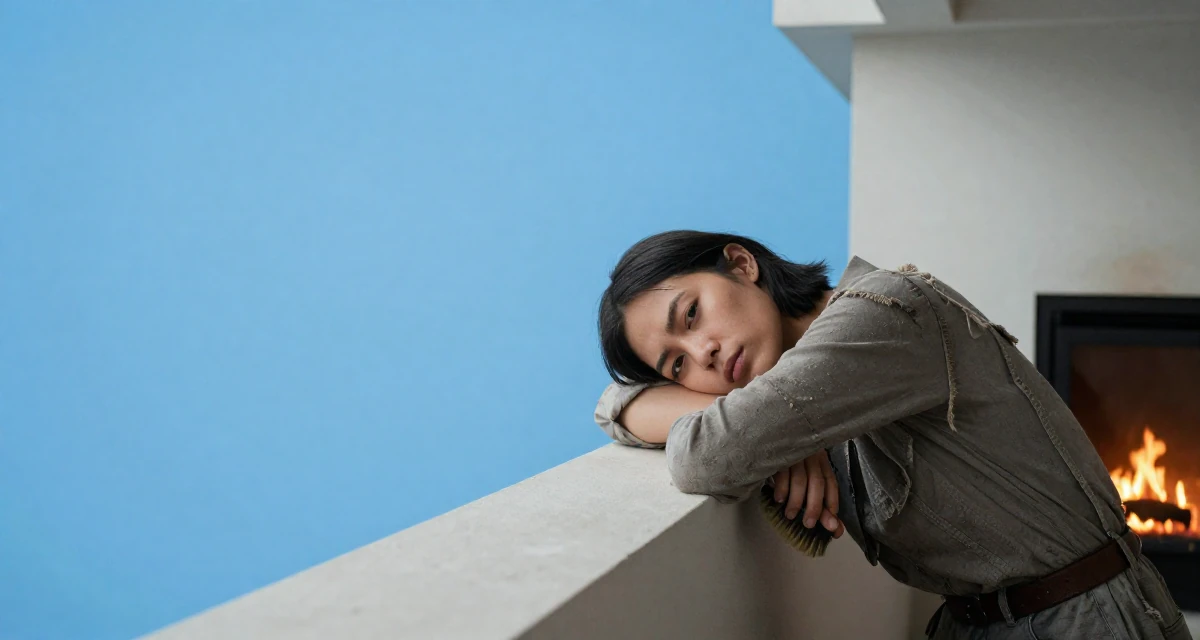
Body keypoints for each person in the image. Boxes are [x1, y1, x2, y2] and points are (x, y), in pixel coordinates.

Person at [593, 230, 1190, 639]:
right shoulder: (801, 398)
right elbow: (611, 405)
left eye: (691, 314)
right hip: (976, 623)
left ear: (742, 265)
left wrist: (756, 428)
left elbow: (708, 458)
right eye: (676, 367)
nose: (703, 353)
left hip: (1084, 621)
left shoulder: (881, 314)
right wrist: (780, 434)